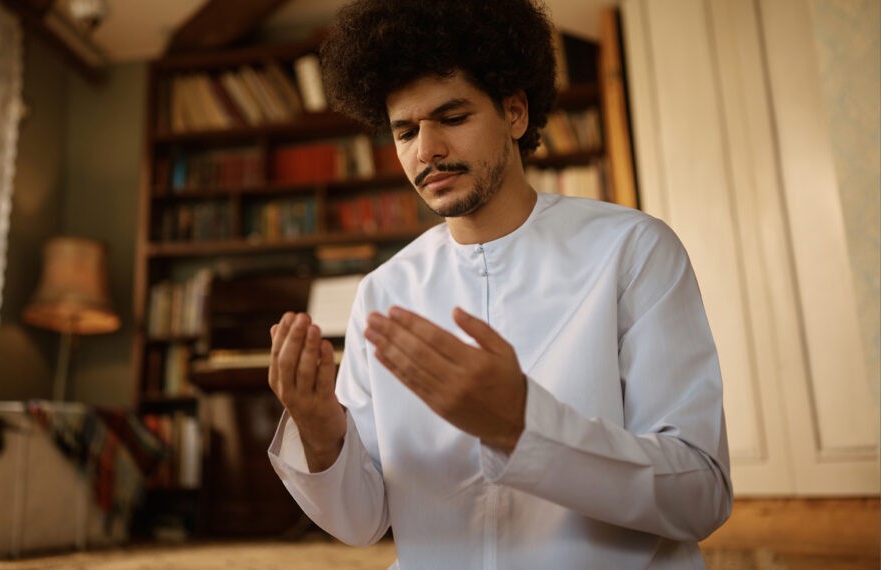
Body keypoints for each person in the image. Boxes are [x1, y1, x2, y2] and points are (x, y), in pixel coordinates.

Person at [266, 0, 732, 567]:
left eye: (453, 118)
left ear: (515, 112)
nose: (427, 150)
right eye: (405, 131)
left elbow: (701, 492)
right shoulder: (384, 293)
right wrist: (321, 432)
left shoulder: (631, 250)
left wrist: (521, 427)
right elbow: (362, 521)